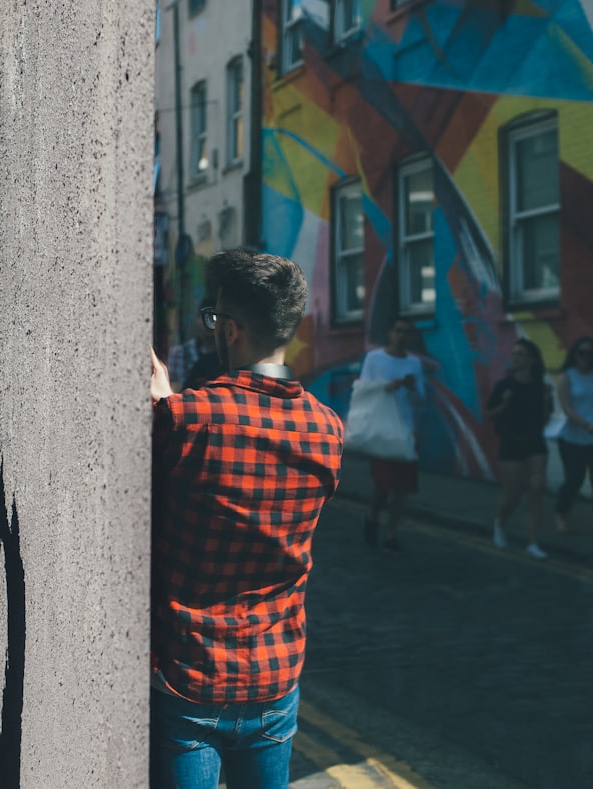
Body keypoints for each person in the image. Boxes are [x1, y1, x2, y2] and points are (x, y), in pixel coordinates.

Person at [149, 249, 343, 789]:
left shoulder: (187, 417)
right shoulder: (328, 430)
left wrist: (166, 406)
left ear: (230, 329)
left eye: (213, 318)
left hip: (191, 675)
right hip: (276, 675)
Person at [359, 317, 425, 551]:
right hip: (382, 429)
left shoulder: (414, 364)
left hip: (406, 431)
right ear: (390, 333)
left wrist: (412, 387)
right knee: (383, 485)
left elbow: (420, 399)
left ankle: (391, 534)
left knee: (403, 488)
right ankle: (372, 515)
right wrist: (386, 387)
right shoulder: (375, 359)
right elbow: (363, 391)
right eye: (398, 330)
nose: (402, 336)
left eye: (407, 332)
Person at [486, 338, 551, 559]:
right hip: (511, 441)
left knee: (536, 487)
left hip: (534, 441)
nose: (515, 358)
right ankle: (499, 523)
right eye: (513, 354)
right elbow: (489, 416)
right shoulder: (504, 386)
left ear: (531, 359)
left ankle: (533, 543)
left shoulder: (539, 385)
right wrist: (504, 403)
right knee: (513, 496)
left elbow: (543, 420)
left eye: (520, 354)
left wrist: (546, 401)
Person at [553, 336, 593, 532]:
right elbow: (567, 408)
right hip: (572, 438)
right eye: (582, 352)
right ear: (575, 354)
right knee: (574, 480)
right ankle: (561, 513)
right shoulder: (566, 376)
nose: (586, 356)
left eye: (590, 353)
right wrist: (586, 424)